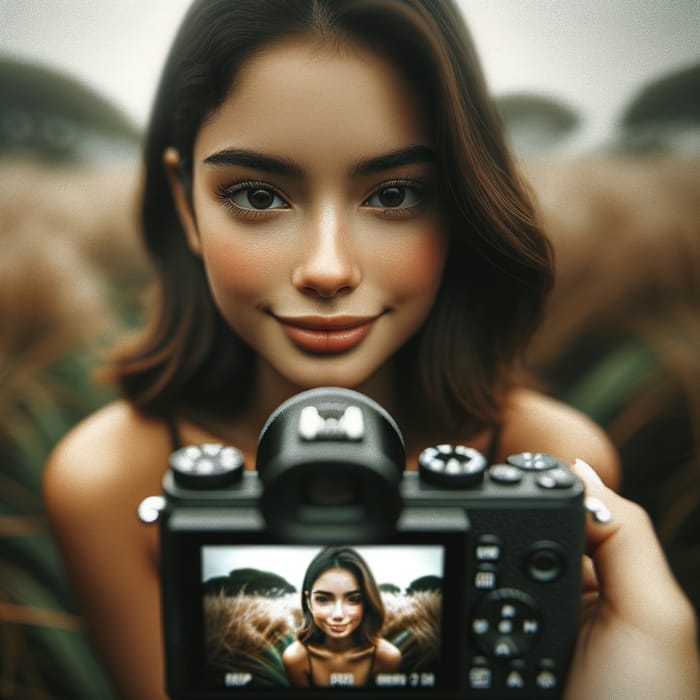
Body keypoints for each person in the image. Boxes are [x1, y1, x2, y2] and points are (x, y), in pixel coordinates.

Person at [42, 1, 698, 698]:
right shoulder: (107, 481)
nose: (327, 269)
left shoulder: (561, 460)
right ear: (185, 206)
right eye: (258, 195)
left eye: (394, 193)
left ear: (461, 205)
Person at [282, 546, 401, 687]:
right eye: (323, 599)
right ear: (308, 601)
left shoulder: (387, 657)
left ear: (368, 601)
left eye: (354, 599)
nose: (338, 614)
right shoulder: (296, 658)